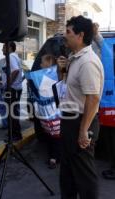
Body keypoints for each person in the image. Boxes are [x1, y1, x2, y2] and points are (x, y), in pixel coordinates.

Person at [57, 16, 104, 199]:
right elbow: (66, 85)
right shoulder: (73, 58)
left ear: (80, 35)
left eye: (68, 32)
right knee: (68, 172)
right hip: (70, 120)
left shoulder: (88, 62)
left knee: (84, 175)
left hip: (81, 121)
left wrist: (84, 130)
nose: (64, 35)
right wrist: (62, 69)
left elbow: (93, 98)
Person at [40, 54, 61, 169]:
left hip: (54, 112)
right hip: (47, 112)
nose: (40, 64)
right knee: (50, 134)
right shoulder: (45, 76)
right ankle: (54, 156)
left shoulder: (54, 77)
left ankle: (54, 158)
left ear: (48, 64)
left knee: (55, 135)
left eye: (42, 62)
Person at [1, 42, 23, 141]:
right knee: (12, 112)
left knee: (12, 112)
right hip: (15, 88)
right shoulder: (14, 56)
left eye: (3, 47)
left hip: (12, 89)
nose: (2, 50)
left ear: (9, 48)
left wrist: (8, 85)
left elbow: (15, 70)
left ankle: (15, 135)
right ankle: (13, 133)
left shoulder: (11, 57)